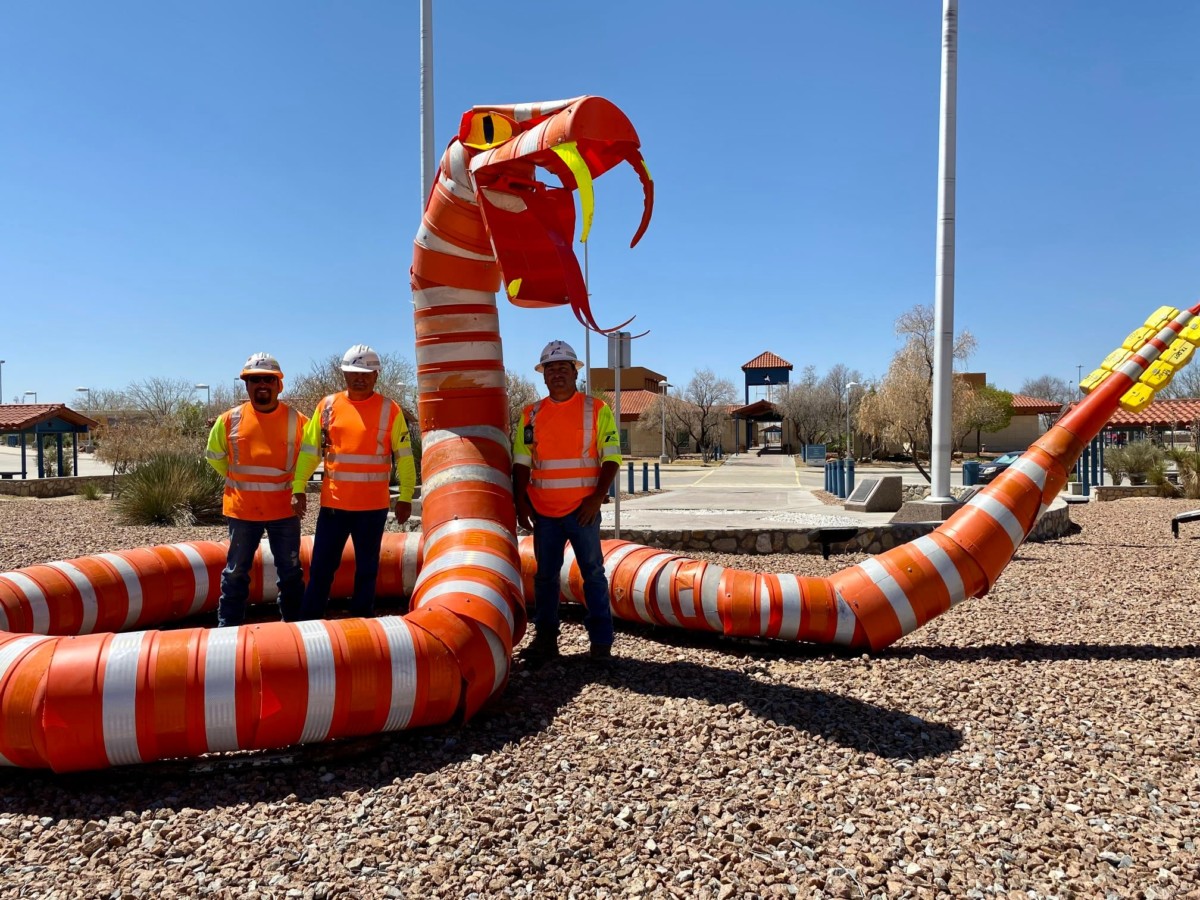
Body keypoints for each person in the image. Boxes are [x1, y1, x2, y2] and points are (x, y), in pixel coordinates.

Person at [512, 340, 621, 666]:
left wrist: (597, 499)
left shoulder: (597, 409)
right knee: (545, 577)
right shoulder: (530, 414)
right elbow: (521, 462)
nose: (557, 373)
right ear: (543, 376)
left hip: (583, 511)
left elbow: (612, 458)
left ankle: (601, 643)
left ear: (575, 373)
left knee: (593, 574)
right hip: (544, 511)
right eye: (551, 369)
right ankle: (546, 640)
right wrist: (521, 502)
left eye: (563, 368)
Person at [293, 343, 415, 619]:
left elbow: (405, 458)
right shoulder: (327, 406)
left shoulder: (390, 410)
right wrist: (298, 486)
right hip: (334, 506)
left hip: (372, 509)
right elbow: (310, 451)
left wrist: (406, 496)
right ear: (343, 374)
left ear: (376, 376)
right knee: (322, 566)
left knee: (367, 569)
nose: (359, 378)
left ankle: (362, 622)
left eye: (366, 373)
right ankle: (309, 621)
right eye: (353, 372)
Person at [205, 352, 308, 626]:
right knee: (236, 572)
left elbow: (311, 458)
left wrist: (298, 487)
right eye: (254, 379)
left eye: (268, 379)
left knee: (290, 571)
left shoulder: (297, 421)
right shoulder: (228, 420)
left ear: (279, 385)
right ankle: (228, 631)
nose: (262, 384)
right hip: (242, 510)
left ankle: (295, 630)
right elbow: (214, 456)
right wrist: (237, 480)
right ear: (246, 385)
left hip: (284, 511)